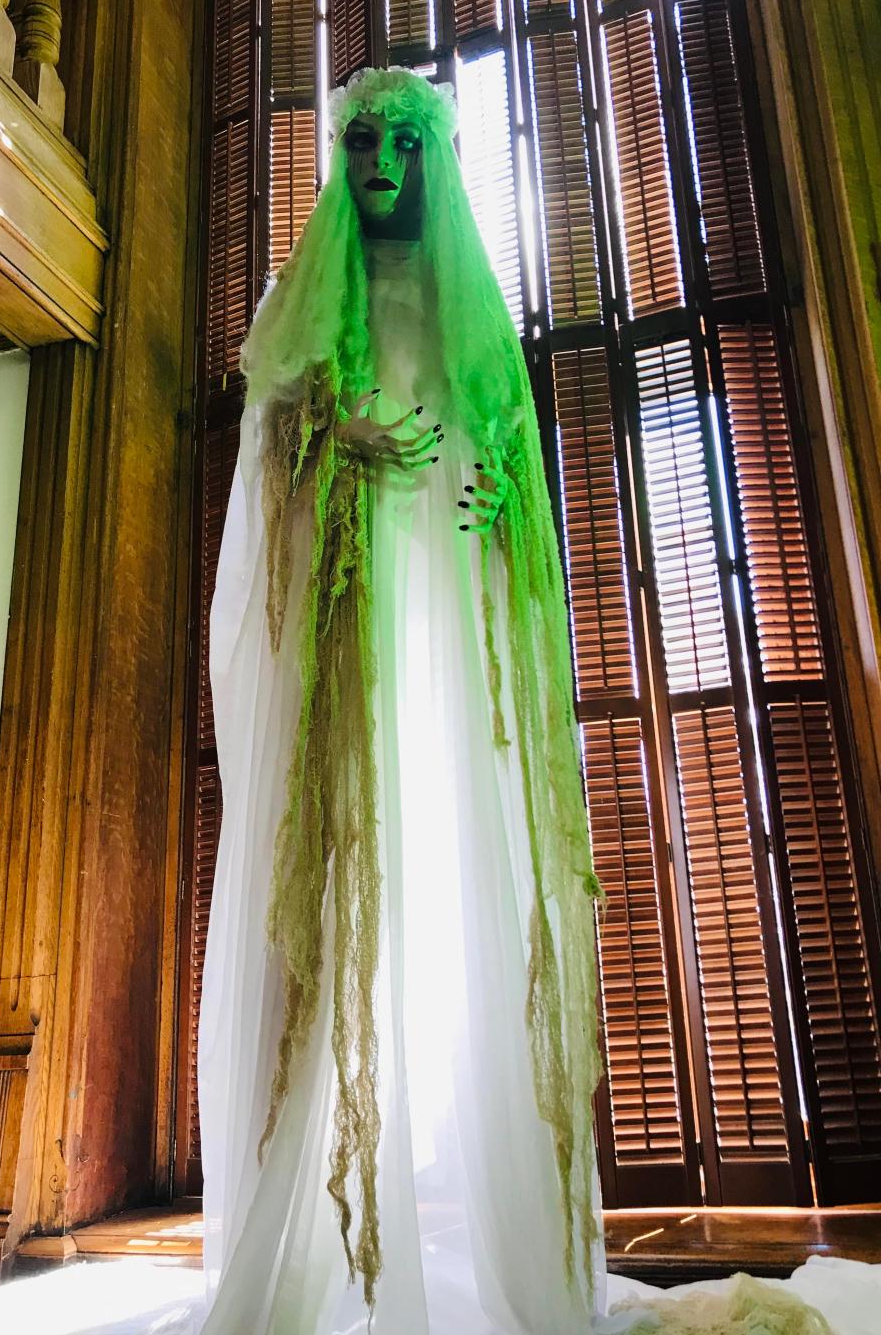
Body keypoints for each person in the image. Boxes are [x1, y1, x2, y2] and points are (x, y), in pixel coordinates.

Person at [196, 65, 607, 1335]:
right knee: (329, 881)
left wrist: (504, 510)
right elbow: (268, 442)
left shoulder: (471, 306)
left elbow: (512, 456)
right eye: (359, 139)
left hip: (447, 602)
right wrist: (333, 437)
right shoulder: (300, 302)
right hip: (348, 612)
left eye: (398, 142)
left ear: (430, 162)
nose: (376, 162)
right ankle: (298, 1233)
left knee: (467, 866)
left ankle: (513, 1238)